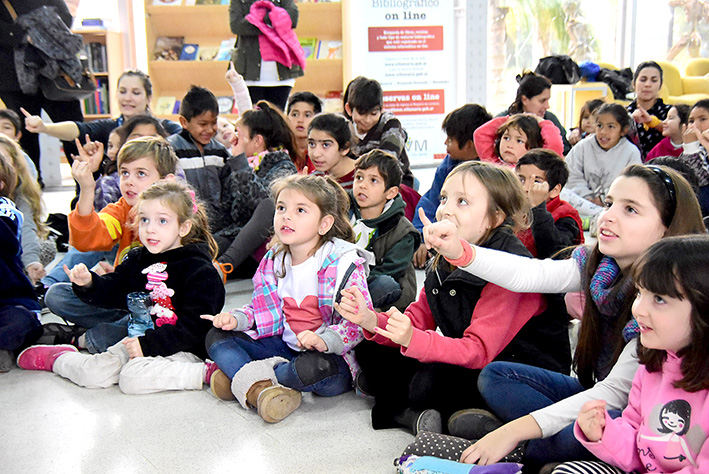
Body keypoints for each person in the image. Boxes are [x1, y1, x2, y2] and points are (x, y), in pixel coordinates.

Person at [420, 164, 704, 471]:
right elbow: (529, 274)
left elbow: (614, 393)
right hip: (597, 396)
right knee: (495, 377)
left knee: (592, 430)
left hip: (631, 412)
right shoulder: (599, 266)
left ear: (667, 227)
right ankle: (529, 444)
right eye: (609, 204)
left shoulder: (668, 308)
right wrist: (458, 251)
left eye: (631, 209)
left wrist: (513, 431)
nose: (608, 216)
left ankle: (518, 446)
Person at [337, 161, 572, 435]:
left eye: (462, 201)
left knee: (430, 380)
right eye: (444, 198)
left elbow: (477, 351)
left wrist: (412, 339)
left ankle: (411, 411)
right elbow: (416, 318)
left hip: (516, 370)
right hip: (472, 357)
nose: (446, 209)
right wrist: (370, 318)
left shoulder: (510, 266)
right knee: (370, 347)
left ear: (494, 218)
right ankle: (425, 414)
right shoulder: (444, 258)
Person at [17, 181, 226, 395]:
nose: (150, 229)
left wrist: (148, 346)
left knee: (132, 378)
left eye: (162, 221)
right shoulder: (138, 258)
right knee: (92, 373)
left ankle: (209, 373)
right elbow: (115, 290)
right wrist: (88, 283)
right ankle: (59, 358)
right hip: (138, 340)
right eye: (144, 220)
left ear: (184, 227)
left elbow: (195, 328)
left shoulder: (200, 271)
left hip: (180, 349)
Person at [203, 174, 373, 423]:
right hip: (283, 348)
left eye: (300, 210)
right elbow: (260, 310)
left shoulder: (345, 263)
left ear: (324, 224)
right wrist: (236, 319)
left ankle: (244, 378)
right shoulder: (274, 259)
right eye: (281, 208)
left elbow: (357, 324)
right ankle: (261, 390)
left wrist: (323, 341)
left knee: (313, 369)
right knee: (215, 336)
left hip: (329, 359)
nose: (286, 216)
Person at [554, 236, 709, 474]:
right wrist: (604, 433)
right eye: (639, 293)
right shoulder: (651, 367)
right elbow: (636, 446)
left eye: (659, 299)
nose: (638, 309)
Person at [42, 137, 180, 353]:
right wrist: (87, 189)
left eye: (141, 174)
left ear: (166, 181)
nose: (129, 181)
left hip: (162, 306)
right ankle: (120, 329)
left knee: (158, 319)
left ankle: (88, 337)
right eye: (124, 173)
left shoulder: (178, 217)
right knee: (56, 295)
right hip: (123, 300)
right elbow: (89, 238)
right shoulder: (121, 209)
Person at [0, 0, 84, 185]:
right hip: (13, 78)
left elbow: (65, 16)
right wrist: (23, 35)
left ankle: (88, 187)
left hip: (55, 71)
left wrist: (43, 32)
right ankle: (31, 193)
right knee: (25, 138)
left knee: (74, 131)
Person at [213, 100, 299, 279]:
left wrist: (240, 164)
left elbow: (262, 205)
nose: (233, 139)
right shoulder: (235, 165)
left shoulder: (282, 164)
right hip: (233, 236)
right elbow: (226, 212)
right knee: (204, 249)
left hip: (261, 245)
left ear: (257, 140)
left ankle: (224, 266)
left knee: (270, 203)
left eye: (239, 134)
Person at [412, 103, 492, 269]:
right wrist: (422, 236)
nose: (445, 142)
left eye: (450, 139)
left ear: (471, 144)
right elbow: (431, 201)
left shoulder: (492, 172)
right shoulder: (448, 165)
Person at [23, 69, 181, 150]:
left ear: (148, 98)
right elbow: (78, 129)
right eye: (123, 91)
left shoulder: (166, 128)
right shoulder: (110, 127)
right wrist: (44, 127)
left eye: (136, 93)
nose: (127, 98)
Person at [349, 149, 420, 311]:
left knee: (385, 283)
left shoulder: (403, 231)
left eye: (373, 180)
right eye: (359, 177)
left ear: (391, 192)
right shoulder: (344, 211)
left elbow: (390, 271)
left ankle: (356, 316)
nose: (363, 185)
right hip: (342, 282)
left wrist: (353, 288)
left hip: (374, 286)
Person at [0, 150, 42, 372]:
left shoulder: (6, 211)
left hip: (9, 301)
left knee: (22, 321)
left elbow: (6, 240)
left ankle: (3, 347)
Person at [564, 103, 642, 216]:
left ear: (623, 130)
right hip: (583, 203)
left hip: (614, 205)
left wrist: (602, 199)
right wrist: (588, 197)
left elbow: (631, 183)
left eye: (611, 127)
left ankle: (601, 216)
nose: (603, 132)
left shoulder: (631, 152)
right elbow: (572, 176)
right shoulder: (582, 147)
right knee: (563, 194)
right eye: (599, 125)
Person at [167, 85, 230, 224]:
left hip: (218, 224)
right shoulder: (171, 149)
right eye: (203, 124)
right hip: (186, 222)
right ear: (184, 122)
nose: (209, 129)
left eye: (214, 123)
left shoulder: (220, 151)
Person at [229, 0, 304, 110]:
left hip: (282, 73)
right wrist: (274, 20)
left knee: (278, 122)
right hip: (249, 72)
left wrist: (257, 19)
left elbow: (292, 19)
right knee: (253, 122)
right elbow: (237, 26)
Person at [344, 76, 415, 189]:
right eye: (362, 114)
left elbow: (386, 161)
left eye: (373, 114)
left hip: (395, 186)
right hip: (359, 185)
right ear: (349, 110)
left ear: (381, 109)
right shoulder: (345, 128)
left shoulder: (390, 124)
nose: (367, 120)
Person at [0, 134, 52, 285]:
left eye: (3, 160)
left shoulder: (21, 193)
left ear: (15, 166)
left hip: (12, 251)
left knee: (46, 248)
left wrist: (31, 262)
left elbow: (26, 228)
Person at [515, 149, 584, 259]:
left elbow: (555, 252)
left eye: (536, 182)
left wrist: (538, 208)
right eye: (521, 180)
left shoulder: (566, 217)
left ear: (555, 190)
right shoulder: (512, 208)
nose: (525, 188)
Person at [503, 71, 571, 155]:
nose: (547, 106)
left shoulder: (550, 120)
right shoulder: (505, 120)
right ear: (524, 100)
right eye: (542, 101)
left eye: (548, 100)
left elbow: (565, 151)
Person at [474, 114, 563, 167]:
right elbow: (480, 134)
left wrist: (543, 123)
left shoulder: (537, 168)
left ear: (533, 147)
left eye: (519, 141)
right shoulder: (494, 165)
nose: (510, 145)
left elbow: (555, 144)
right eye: (506, 138)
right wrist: (510, 119)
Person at [627, 61, 672, 159]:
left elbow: (679, 135)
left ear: (660, 85)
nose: (648, 84)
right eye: (643, 80)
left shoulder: (670, 113)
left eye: (654, 80)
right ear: (634, 84)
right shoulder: (625, 113)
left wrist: (654, 123)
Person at [677, 99, 709, 215]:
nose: (695, 125)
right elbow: (691, 181)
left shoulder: (695, 148)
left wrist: (692, 148)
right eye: (691, 121)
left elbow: (703, 185)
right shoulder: (690, 149)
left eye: (703, 119)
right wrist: (690, 147)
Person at [308, 113, 355, 189]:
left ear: (345, 148)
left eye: (326, 145)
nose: (316, 154)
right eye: (312, 144)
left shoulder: (364, 178)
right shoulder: (316, 178)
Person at [287, 91, 322, 164]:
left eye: (307, 115)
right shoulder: (279, 151)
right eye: (295, 114)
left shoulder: (323, 152)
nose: (300, 120)